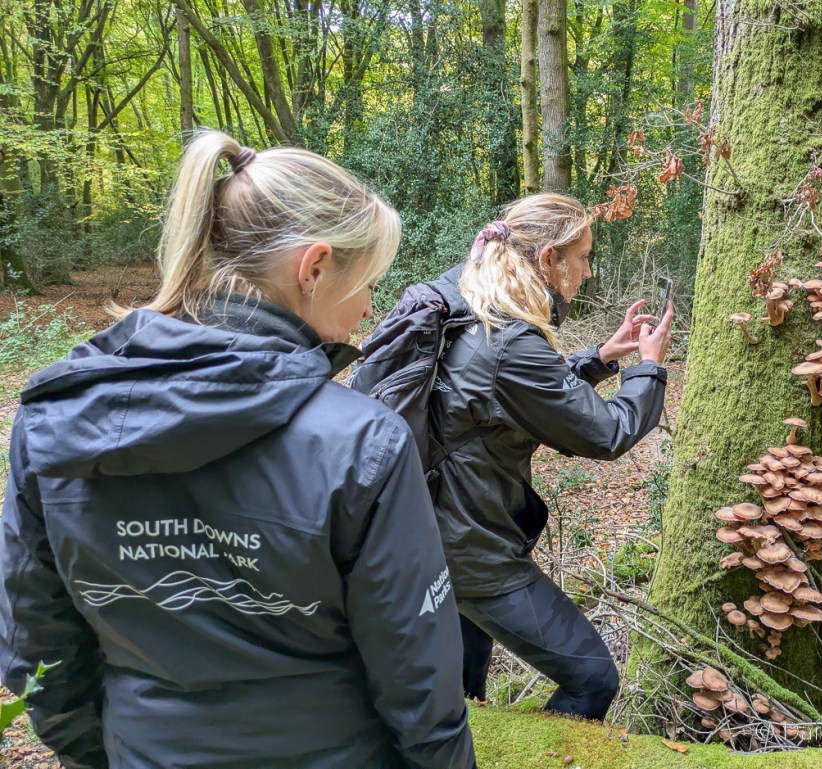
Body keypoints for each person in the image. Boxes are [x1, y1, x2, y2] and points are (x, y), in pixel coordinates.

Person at [0, 132, 475, 769]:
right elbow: (418, 676)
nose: (370, 307)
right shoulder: (364, 444)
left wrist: (106, 751)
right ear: (313, 268)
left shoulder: (53, 422)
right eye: (368, 282)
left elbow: (37, 644)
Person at [426, 192, 673, 721]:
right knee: (593, 679)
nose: (586, 271)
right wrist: (649, 368)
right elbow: (607, 432)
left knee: (463, 695)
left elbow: (515, 395)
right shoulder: (510, 342)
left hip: (432, 530)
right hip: (473, 550)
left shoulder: (472, 302)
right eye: (581, 257)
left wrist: (605, 356)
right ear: (548, 260)